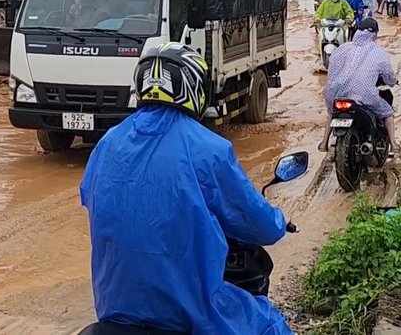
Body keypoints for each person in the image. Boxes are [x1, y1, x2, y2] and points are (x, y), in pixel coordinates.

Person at [80, 43, 293, 335]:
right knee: (270, 322)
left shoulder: (106, 143)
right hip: (188, 313)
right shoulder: (209, 149)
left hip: (115, 310)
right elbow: (258, 225)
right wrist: (280, 220)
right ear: (194, 86)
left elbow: (90, 199)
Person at [320, 18, 400, 153]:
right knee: (387, 113)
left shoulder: (343, 48)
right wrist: (393, 81)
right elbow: (388, 74)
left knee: (331, 113)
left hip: (335, 93)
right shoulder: (378, 52)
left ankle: (324, 143)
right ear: (375, 34)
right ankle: (393, 144)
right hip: (363, 96)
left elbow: (332, 68)